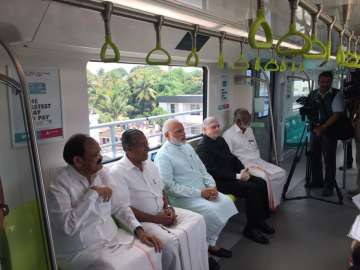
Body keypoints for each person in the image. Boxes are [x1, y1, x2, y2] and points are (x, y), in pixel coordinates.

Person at [47, 134, 164, 270]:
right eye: (95, 155)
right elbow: (68, 227)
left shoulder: (102, 173)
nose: (101, 158)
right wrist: (92, 194)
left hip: (112, 238)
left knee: (153, 249)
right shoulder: (59, 186)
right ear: (78, 161)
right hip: (82, 251)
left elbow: (120, 207)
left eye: (100, 152)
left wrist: (139, 231)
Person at [109, 129, 209, 270]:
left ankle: (198, 264)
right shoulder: (117, 172)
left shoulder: (149, 163)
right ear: (128, 149)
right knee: (170, 244)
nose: (148, 148)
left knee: (199, 220)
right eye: (142, 145)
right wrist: (157, 220)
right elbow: (124, 208)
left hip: (162, 211)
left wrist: (168, 208)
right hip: (143, 221)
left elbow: (161, 190)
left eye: (147, 143)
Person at [154, 119, 238, 263]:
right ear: (167, 136)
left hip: (203, 190)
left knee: (226, 203)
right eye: (178, 132)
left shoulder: (187, 147)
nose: (183, 134)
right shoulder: (163, 156)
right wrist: (200, 193)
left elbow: (202, 169)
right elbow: (169, 187)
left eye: (183, 130)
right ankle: (205, 251)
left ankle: (209, 244)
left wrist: (211, 186)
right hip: (183, 198)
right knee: (214, 212)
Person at [196, 117, 274, 244]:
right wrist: (237, 176)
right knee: (252, 189)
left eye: (217, 126)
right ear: (204, 130)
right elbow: (212, 171)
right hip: (219, 182)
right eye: (213, 127)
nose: (217, 129)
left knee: (261, 182)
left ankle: (260, 220)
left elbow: (232, 157)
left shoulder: (220, 140)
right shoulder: (203, 147)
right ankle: (250, 229)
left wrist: (244, 170)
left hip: (233, 175)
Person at [223, 108, 286, 207]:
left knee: (281, 173)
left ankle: (274, 202)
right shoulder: (228, 135)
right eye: (246, 120)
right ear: (238, 121)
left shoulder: (249, 130)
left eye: (249, 119)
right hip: (245, 164)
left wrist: (260, 162)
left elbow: (255, 147)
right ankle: (267, 205)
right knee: (265, 178)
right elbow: (229, 157)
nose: (249, 122)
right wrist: (240, 171)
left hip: (258, 161)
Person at [306, 71, 345, 196]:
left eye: (327, 82)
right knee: (314, 156)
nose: (325, 84)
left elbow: (337, 114)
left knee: (329, 159)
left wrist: (322, 127)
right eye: (322, 82)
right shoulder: (313, 94)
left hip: (329, 131)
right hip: (314, 130)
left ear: (331, 82)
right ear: (318, 82)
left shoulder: (336, 94)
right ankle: (317, 180)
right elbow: (309, 110)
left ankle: (329, 186)